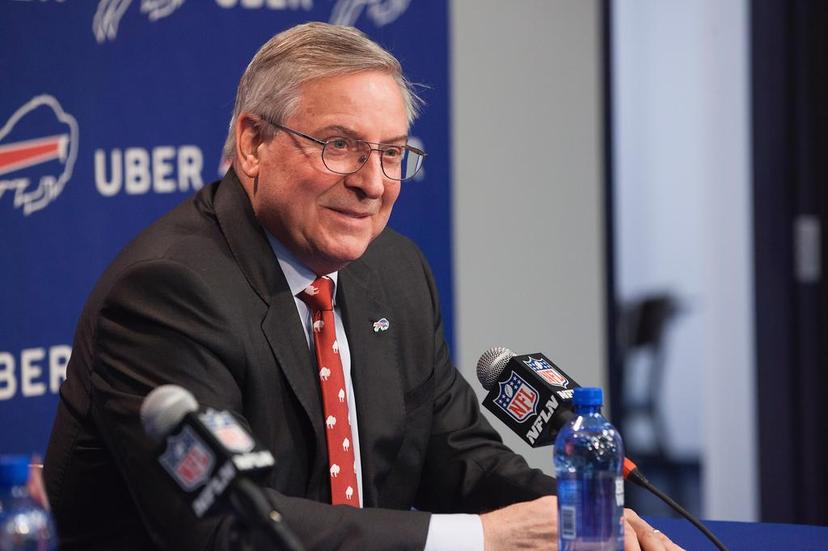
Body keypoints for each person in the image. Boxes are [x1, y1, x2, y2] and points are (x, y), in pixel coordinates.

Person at [43, 22, 680, 551]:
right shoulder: (167, 292)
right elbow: (227, 529)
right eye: (340, 145)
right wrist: (484, 538)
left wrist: (588, 518)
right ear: (253, 144)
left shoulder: (393, 270)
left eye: (392, 152)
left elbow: (457, 454)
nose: (372, 183)